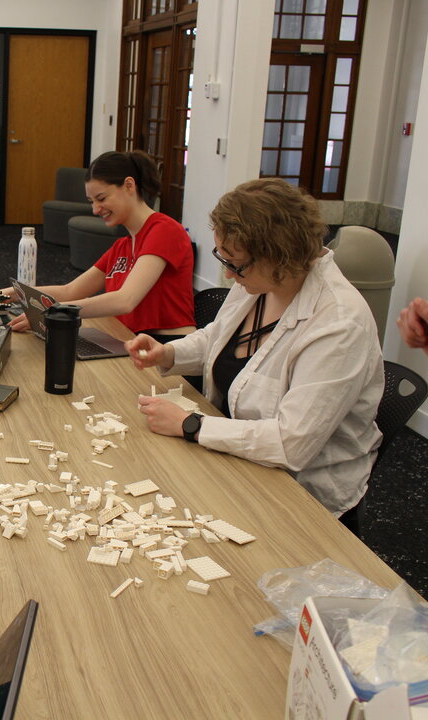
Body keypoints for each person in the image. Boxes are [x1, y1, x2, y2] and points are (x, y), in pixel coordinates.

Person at [127, 178, 383, 532]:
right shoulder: (259, 282)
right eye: (223, 258)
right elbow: (219, 337)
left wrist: (190, 424)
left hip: (302, 499)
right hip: (236, 465)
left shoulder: (339, 324)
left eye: (235, 264)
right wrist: (169, 352)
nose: (227, 274)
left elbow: (291, 444)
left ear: (281, 256)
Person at [6, 150, 195, 341]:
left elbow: (125, 300)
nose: (95, 209)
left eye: (102, 198)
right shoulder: (122, 246)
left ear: (129, 185)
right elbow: (70, 291)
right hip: (129, 339)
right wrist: (9, 293)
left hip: (167, 345)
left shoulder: (165, 230)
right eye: (92, 201)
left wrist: (54, 313)